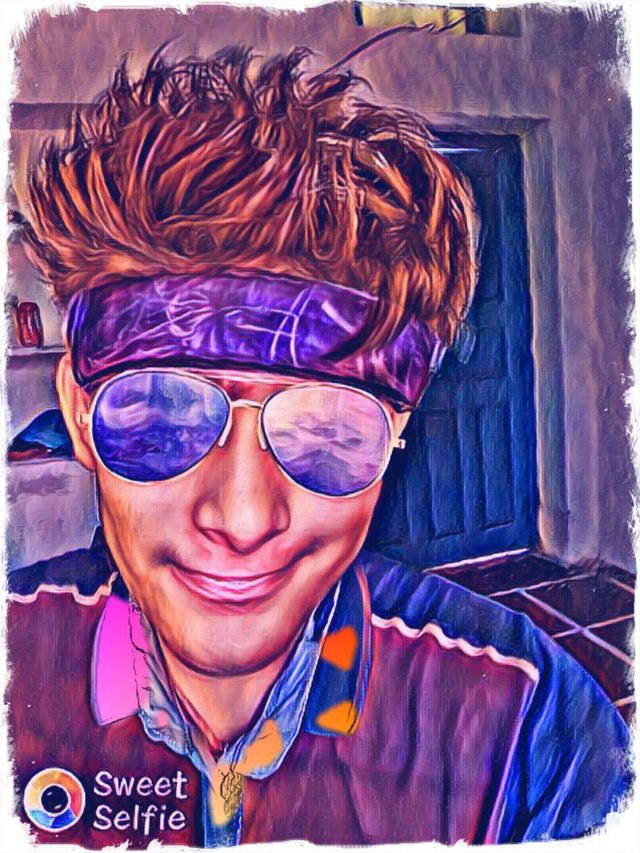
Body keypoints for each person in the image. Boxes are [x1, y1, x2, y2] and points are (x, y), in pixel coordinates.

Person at [7, 48, 631, 848]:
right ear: (79, 411)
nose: (242, 517)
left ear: (393, 438)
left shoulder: (527, 728)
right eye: (163, 413)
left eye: (327, 432)